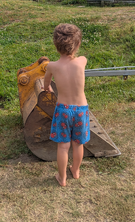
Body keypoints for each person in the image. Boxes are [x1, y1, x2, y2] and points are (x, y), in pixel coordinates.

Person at [43, 23, 89, 187]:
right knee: (78, 144)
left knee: (63, 147)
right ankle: (75, 171)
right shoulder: (82, 61)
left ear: (55, 45)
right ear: (77, 45)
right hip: (81, 110)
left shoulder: (52, 66)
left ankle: (62, 178)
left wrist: (47, 87)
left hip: (63, 110)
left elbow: (46, 83)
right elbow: (81, 59)